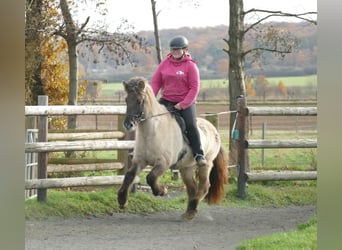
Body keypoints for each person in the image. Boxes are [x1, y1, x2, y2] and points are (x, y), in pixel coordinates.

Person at [151, 35, 207, 167]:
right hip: (167, 99)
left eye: (178, 49)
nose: (175, 52)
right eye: (173, 49)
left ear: (185, 50)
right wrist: (152, 99)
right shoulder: (164, 64)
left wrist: (183, 104)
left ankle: (199, 154)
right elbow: (155, 82)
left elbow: (194, 88)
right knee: (153, 119)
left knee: (191, 125)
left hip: (185, 101)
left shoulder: (191, 66)